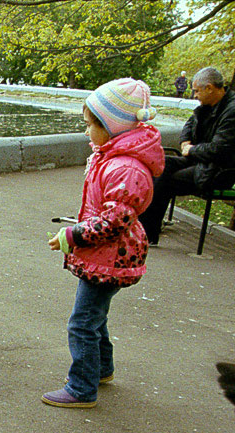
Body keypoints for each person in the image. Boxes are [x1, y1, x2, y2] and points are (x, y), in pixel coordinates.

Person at [43, 78, 164, 408]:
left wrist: (73, 235)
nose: (86, 133)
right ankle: (102, 369)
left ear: (112, 126)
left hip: (110, 254)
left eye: (89, 125)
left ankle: (82, 387)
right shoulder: (112, 155)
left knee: (81, 323)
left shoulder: (125, 167)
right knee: (96, 317)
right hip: (107, 254)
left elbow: (114, 221)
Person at [139, 67, 235, 245]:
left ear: (210, 88)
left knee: (167, 180)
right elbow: (189, 124)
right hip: (203, 162)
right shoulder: (210, 106)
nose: (194, 95)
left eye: (196, 90)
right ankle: (145, 229)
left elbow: (219, 150)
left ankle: (146, 234)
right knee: (161, 165)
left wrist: (191, 150)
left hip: (221, 172)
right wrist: (186, 142)